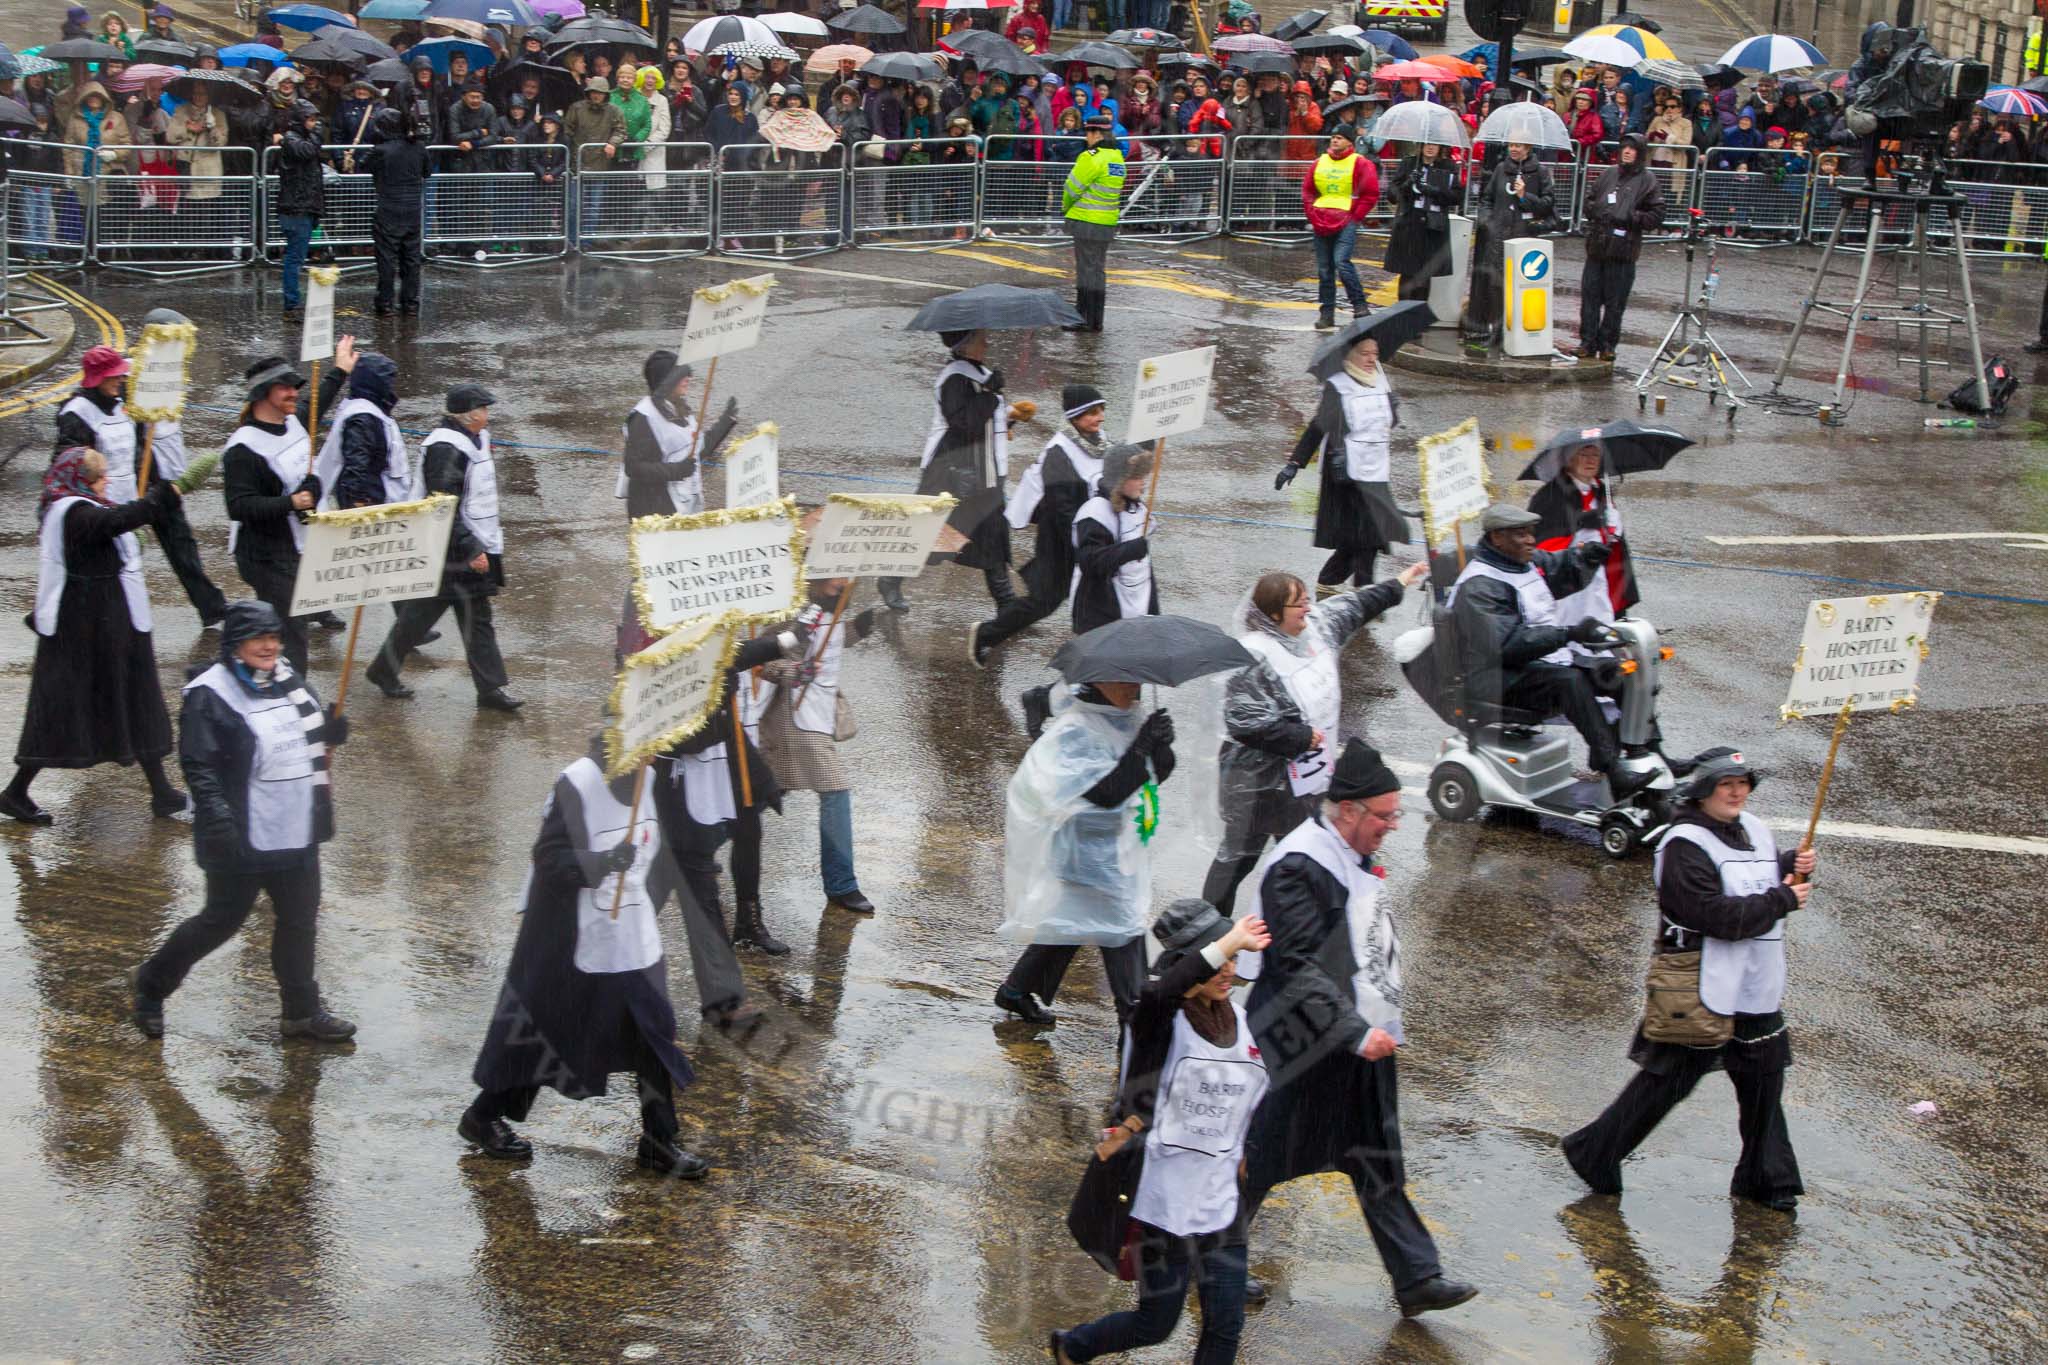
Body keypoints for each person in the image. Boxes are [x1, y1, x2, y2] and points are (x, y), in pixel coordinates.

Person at [1237, 739, 1478, 1317]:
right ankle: (1211, 1260)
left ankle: (1417, 1277)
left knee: (1376, 1155)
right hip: (1303, 1042)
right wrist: (1352, 1031)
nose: (1392, 826)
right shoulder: (1298, 866)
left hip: (1357, 1036)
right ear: (1347, 811)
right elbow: (1296, 967)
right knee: (1261, 1155)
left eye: (1396, 814)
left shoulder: (1348, 852)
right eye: (1384, 815)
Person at [1562, 752, 1814, 1211]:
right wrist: (1781, 898)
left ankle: (1767, 1180)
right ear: (1703, 790)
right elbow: (1713, 915)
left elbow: (1751, 875)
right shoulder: (1683, 845)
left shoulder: (1753, 826)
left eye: (1743, 783)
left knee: (1763, 1083)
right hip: (1704, 987)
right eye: (1726, 784)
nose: (1738, 792)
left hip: (1755, 985)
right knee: (1669, 1081)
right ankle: (1595, 1150)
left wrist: (1788, 864)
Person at [458, 735, 708, 1178]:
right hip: (575, 940)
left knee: (652, 1033)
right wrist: (601, 862)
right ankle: (483, 1116)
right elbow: (548, 858)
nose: (653, 755)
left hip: (632, 938)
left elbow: (665, 853)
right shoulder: (576, 783)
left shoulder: (651, 778)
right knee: (546, 1033)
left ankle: (658, 1140)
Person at [1052, 902, 1272, 1364]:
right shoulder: (1156, 1016)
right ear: (1188, 962)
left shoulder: (1238, 1019)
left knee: (1226, 1325)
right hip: (1163, 1203)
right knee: (1156, 1324)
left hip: (1222, 1201)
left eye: (1234, 959)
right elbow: (1164, 992)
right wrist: (1231, 940)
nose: (1229, 968)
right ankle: (1074, 1346)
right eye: (1219, 957)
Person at [131, 600, 356, 1043]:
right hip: (241, 831)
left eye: (274, 636)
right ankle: (151, 985)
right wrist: (216, 818)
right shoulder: (208, 693)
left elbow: (306, 737)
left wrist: (330, 733)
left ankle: (301, 1012)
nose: (270, 646)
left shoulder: (288, 678)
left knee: (299, 919)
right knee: (221, 921)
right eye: (259, 638)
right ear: (235, 644)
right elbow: (199, 763)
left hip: (296, 826)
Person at [1200, 563, 1427, 913]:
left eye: (1307, 599)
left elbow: (1357, 606)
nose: (1309, 607)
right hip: (1256, 786)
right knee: (1238, 859)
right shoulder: (1253, 655)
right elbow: (1243, 721)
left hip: (1302, 781)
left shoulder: (1316, 629)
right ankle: (1207, 932)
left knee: (1308, 853)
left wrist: (1400, 582)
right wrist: (1300, 737)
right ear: (1274, 613)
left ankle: (1305, 923)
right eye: (1298, 603)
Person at [2, 448, 188, 825]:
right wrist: (158, 498)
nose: (106, 485)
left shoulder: (85, 505)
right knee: (63, 708)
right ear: (84, 480)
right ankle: (16, 792)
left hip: (111, 622)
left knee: (135, 700)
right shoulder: (71, 511)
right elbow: (111, 523)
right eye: (101, 478)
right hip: (82, 629)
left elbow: (115, 527)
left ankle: (162, 792)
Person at [647, 617, 815, 1012]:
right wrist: (720, 703)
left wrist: (793, 634)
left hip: (692, 810)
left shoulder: (709, 659)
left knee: (676, 896)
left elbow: (746, 653)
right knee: (672, 896)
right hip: (674, 807)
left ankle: (720, 993)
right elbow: (691, 739)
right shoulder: (665, 668)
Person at [994, 682, 1176, 1026]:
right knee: (1123, 927)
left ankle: (1016, 990)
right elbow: (1103, 796)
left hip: (1119, 848)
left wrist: (1162, 745)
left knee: (1072, 921)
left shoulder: (1128, 718)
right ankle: (1135, 1021)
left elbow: (1153, 777)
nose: (1133, 689)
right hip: (1087, 854)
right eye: (1124, 681)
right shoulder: (1074, 732)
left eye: (1137, 681)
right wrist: (1141, 748)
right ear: (1100, 681)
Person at [1446, 503, 1646, 793]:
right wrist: (1568, 633)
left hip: (1531, 663)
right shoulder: (1480, 585)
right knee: (1570, 682)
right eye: (1521, 534)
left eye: (1530, 533)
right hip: (1494, 677)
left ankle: (1645, 752)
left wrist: (1587, 556)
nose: (1531, 540)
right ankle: (1613, 770)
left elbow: (1558, 567)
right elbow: (1506, 646)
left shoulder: (1519, 562)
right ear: (1497, 538)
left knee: (1616, 672)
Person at [364, 386, 520, 712]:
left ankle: (488, 688)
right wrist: (471, 549)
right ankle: (486, 689)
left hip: (464, 545)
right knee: (436, 616)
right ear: (470, 414)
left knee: (464, 616)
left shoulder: (471, 439)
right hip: (450, 552)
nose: (488, 415)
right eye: (484, 409)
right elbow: (441, 506)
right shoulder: (446, 448)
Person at [55, 341, 223, 624]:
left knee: (182, 545)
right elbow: (71, 465)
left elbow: (141, 447)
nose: (121, 379)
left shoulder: (124, 405)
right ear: (98, 379)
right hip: (106, 504)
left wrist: (161, 490)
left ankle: (212, 608)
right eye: (114, 375)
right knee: (119, 565)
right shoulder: (76, 414)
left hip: (144, 487)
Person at [757, 578, 883, 917]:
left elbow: (832, 641)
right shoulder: (793, 610)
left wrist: (860, 627)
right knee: (835, 791)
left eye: (846, 577)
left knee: (769, 791)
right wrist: (793, 671)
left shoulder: (834, 607)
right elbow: (761, 660)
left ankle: (702, 845)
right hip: (795, 718)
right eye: (833, 577)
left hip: (821, 714)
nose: (841, 583)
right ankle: (842, 885)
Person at [219, 352, 347, 678]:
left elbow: (319, 402)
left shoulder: (292, 422)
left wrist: (340, 370)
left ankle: (273, 684)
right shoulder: (243, 449)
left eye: (295, 387)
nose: (294, 393)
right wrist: (292, 502)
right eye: (285, 388)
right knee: (291, 631)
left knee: (288, 626)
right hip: (265, 556)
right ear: (263, 394)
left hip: (296, 546)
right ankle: (294, 697)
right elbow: (239, 507)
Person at [976, 384, 1112, 663]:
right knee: (1045, 601)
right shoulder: (1058, 453)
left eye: (1101, 411)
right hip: (1060, 538)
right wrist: (1083, 540)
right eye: (1092, 413)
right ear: (1075, 417)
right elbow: (1061, 509)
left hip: (1089, 533)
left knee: (1101, 595)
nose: (1100, 418)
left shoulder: (1100, 440)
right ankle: (986, 634)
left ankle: (1097, 662)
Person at [1274, 333, 1408, 593]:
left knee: (1366, 536)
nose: (1371, 359)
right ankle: (1365, 592)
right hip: (1346, 473)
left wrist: (1393, 410)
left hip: (1376, 471)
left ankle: (1330, 580)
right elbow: (1318, 426)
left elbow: (1384, 424)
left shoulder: (1381, 381)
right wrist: (1295, 463)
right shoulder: (1338, 386)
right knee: (1368, 535)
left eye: (1375, 354)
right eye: (1364, 353)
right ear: (1350, 355)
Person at [908, 328, 1024, 623]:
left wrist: (1008, 415)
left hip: (983, 472)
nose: (987, 342)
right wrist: (989, 394)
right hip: (954, 473)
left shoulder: (977, 372)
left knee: (992, 535)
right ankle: (891, 579)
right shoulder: (955, 378)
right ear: (966, 345)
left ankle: (1006, 603)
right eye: (980, 338)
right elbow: (963, 422)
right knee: (927, 535)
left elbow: (983, 421)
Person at [1527, 440, 1639, 631]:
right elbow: (1543, 542)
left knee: (1599, 618)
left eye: (1595, 455)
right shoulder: (1551, 495)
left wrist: (1613, 530)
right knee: (1567, 622)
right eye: (1583, 455)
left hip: (1597, 575)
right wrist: (1580, 523)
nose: (1590, 461)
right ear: (1570, 460)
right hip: (1566, 577)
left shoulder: (1602, 493)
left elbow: (1611, 545)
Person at [619, 349, 738, 520]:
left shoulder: (679, 409)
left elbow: (696, 452)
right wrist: (678, 470)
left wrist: (726, 421)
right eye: (680, 375)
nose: (687, 379)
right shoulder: (644, 418)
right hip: (654, 513)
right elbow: (634, 467)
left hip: (681, 507)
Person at [1577, 132, 1664, 362]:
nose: (1627, 151)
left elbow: (1657, 214)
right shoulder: (1608, 174)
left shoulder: (1648, 180)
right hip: (1597, 246)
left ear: (1640, 153)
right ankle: (1586, 341)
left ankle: (1607, 345)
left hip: (1623, 251)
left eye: (1632, 148)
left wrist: (1631, 216)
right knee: (1590, 298)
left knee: (1615, 303)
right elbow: (1590, 198)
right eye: (1624, 147)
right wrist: (1598, 210)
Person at [1462, 141, 1556, 346]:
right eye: (1512, 145)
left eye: (1519, 146)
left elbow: (1548, 204)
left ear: (1528, 148)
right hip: (1498, 237)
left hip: (1524, 238)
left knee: (1519, 288)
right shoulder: (1500, 169)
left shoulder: (1540, 172)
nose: (1514, 149)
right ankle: (1496, 331)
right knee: (1496, 286)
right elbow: (1487, 199)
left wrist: (1525, 196)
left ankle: (1517, 333)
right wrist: (1488, 221)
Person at [1070, 443, 1157, 634]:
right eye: (1136, 477)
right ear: (1120, 478)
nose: (1143, 482)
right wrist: (1130, 550)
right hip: (1102, 614)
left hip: (1138, 605)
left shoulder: (1136, 507)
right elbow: (1089, 561)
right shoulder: (1096, 512)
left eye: (1144, 476)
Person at [1302, 127, 1380, 330]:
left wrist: (1355, 217)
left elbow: (1370, 193)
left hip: (1346, 220)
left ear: (1350, 142)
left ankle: (1360, 306)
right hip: (1321, 220)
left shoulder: (1361, 163)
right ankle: (1327, 313)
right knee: (1325, 269)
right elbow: (1308, 190)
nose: (1335, 140)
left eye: (1340, 138)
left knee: (1341, 263)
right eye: (1333, 137)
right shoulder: (1319, 162)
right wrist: (1312, 213)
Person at [358, 107, 430, 317]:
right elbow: (427, 171)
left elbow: (363, 166)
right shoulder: (418, 147)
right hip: (412, 211)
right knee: (411, 259)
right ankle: (410, 303)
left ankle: (386, 303)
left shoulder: (382, 150)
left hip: (388, 210)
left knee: (387, 260)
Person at [312, 351, 407, 510]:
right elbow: (356, 465)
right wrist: (358, 503)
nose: (392, 386)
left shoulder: (369, 411)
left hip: (377, 499)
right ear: (377, 382)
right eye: (389, 380)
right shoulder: (363, 418)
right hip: (370, 505)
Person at [1062, 115, 1124, 334]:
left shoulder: (1090, 157)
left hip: (1086, 221)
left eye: (1087, 133)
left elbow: (1072, 187)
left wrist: (1065, 208)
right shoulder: (1117, 158)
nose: (1086, 138)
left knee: (1085, 272)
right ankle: (1096, 320)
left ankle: (1084, 319)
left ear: (1096, 133)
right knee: (1097, 271)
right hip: (1107, 222)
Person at [1383, 140, 1460, 303]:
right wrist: (1408, 182)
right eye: (1427, 144)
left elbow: (1457, 197)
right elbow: (1392, 195)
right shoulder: (1409, 163)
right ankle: (1401, 315)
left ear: (1440, 147)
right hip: (1409, 225)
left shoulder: (1448, 166)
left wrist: (1436, 192)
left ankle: (1418, 314)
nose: (1430, 147)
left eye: (1435, 144)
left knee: (1425, 277)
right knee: (1407, 273)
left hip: (1432, 227)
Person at [272, 100, 324, 317]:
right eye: (310, 120)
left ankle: (292, 303)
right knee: (294, 258)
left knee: (297, 257)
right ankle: (292, 304)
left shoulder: (296, 138)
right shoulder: (293, 140)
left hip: (303, 207)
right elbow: (307, 151)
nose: (314, 124)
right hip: (296, 209)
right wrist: (317, 135)